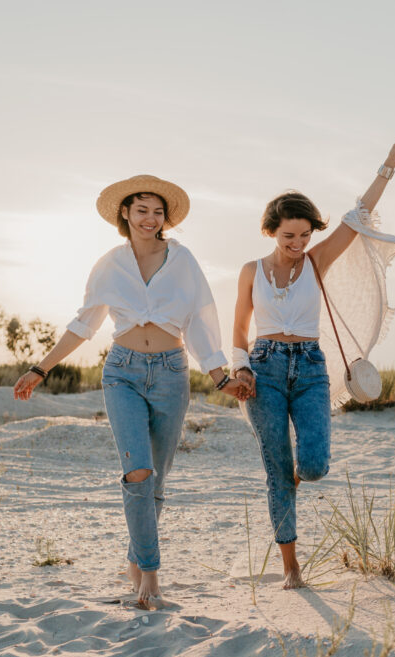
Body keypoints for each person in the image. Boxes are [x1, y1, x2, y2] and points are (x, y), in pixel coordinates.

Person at [13, 175, 244, 609]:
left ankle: (136, 560)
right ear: (125, 213)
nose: (150, 219)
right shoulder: (109, 265)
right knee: (137, 472)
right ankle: (151, 578)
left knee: (156, 479)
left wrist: (219, 377)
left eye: (158, 212)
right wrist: (39, 368)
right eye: (141, 210)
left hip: (172, 373)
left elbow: (200, 324)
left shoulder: (184, 261)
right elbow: (84, 324)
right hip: (122, 373)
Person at [231, 137, 395, 589]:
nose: (298, 243)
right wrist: (240, 368)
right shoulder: (250, 271)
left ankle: (290, 482)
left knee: (314, 464)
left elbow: (357, 217)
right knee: (277, 470)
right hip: (264, 369)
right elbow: (239, 328)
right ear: (270, 232)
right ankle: (290, 566)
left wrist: (388, 167)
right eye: (288, 236)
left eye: (304, 234)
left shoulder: (317, 260)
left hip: (311, 369)